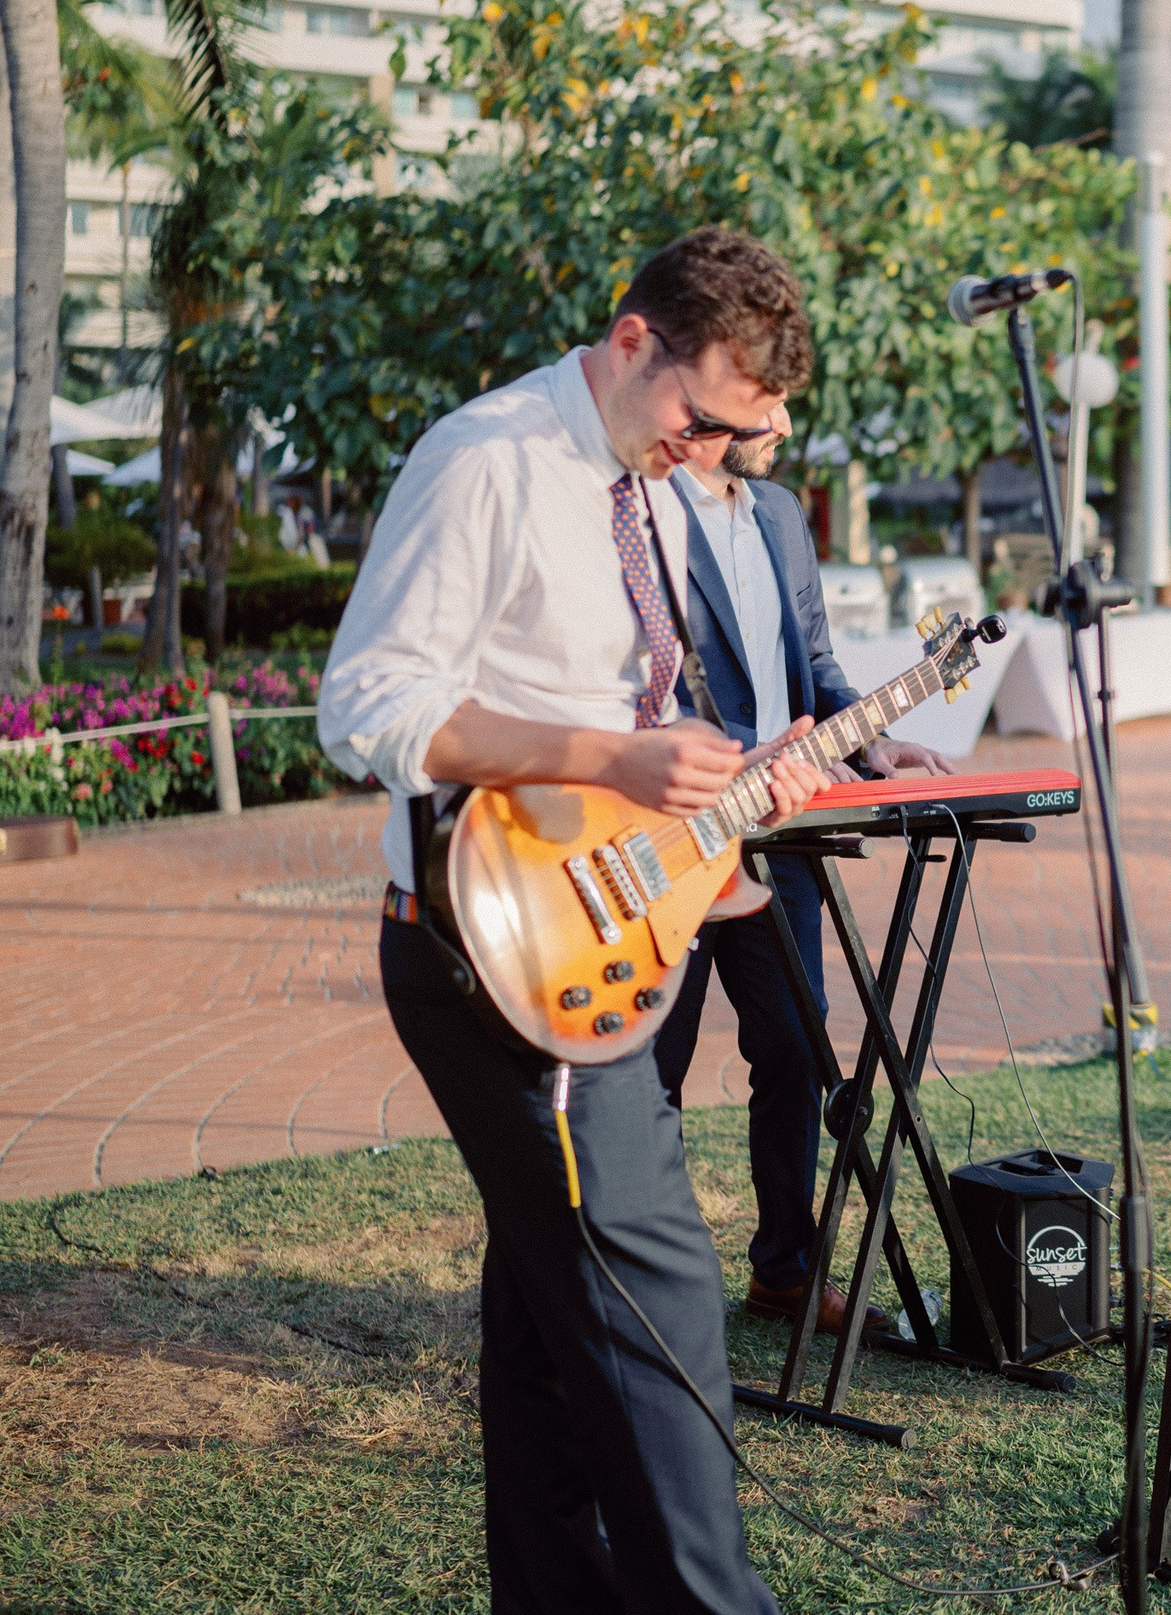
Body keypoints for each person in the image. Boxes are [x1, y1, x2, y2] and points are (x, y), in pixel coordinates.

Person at [319, 226, 831, 1613]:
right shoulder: (486, 457)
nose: (711, 450)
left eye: (742, 431)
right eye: (702, 416)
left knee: (555, 1315)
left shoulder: (651, 478)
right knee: (656, 1303)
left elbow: (635, 719)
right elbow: (366, 706)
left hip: (596, 927)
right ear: (629, 341)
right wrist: (614, 764)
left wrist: (713, 809)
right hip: (487, 947)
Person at [651, 398, 953, 1339]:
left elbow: (814, 662)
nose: (784, 417)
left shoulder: (782, 513)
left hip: (782, 834)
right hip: (670, 833)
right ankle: (641, 1281)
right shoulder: (644, 510)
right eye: (766, 397)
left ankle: (784, 1271)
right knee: (650, 1065)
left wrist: (874, 744)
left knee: (797, 1048)